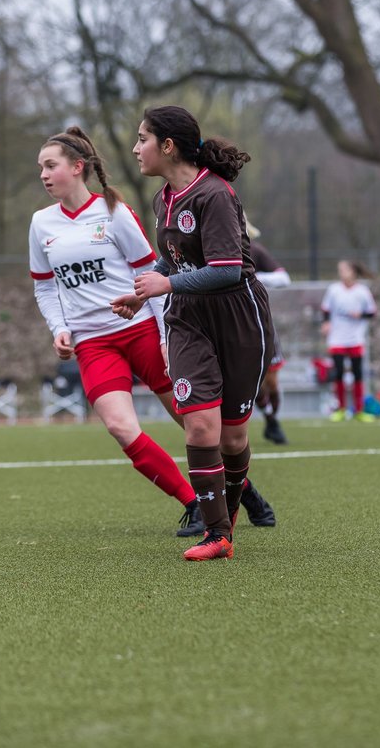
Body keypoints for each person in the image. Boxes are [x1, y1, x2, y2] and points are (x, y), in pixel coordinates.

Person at [33, 125, 275, 543]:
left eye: (50, 165)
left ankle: (243, 493)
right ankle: (194, 503)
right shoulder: (40, 224)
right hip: (92, 342)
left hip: (140, 329)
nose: (43, 174)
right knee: (121, 428)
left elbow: (154, 272)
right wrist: (60, 328)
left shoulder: (114, 212)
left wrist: (166, 336)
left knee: (197, 425)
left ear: (77, 167)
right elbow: (43, 285)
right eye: (40, 167)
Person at [114, 105, 278, 561]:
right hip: (188, 320)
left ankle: (228, 513)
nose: (136, 148)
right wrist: (146, 291)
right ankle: (218, 534)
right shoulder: (162, 198)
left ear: (167, 146)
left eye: (142, 138)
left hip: (238, 318)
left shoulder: (215, 195)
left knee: (232, 439)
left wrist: (164, 283)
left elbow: (226, 270)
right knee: (200, 425)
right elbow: (175, 258)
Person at [321, 259, 378, 422]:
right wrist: (326, 323)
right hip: (337, 339)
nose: (341, 273)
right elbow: (326, 309)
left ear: (353, 271)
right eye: (340, 270)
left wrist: (360, 315)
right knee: (338, 373)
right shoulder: (334, 290)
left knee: (357, 373)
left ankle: (359, 410)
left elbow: (372, 312)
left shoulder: (362, 291)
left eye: (344, 269)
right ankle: (341, 409)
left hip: (356, 338)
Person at [248, 225, 290, 444]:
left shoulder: (255, 251)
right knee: (249, 381)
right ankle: (267, 417)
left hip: (261, 324)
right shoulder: (211, 251)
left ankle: (273, 419)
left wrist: (252, 277)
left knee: (271, 381)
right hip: (233, 328)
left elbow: (284, 278)